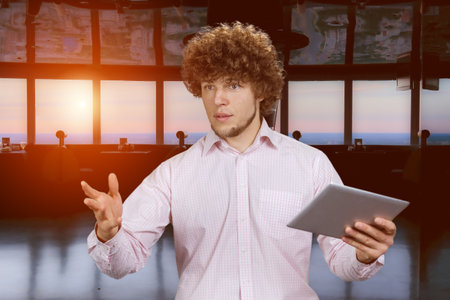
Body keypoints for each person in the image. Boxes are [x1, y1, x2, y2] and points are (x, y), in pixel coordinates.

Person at [82, 22, 397, 300]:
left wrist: (363, 254)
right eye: (209, 86)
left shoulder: (310, 164)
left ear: (260, 90)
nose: (218, 98)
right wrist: (109, 235)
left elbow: (344, 260)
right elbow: (123, 263)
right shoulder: (173, 174)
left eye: (233, 84)